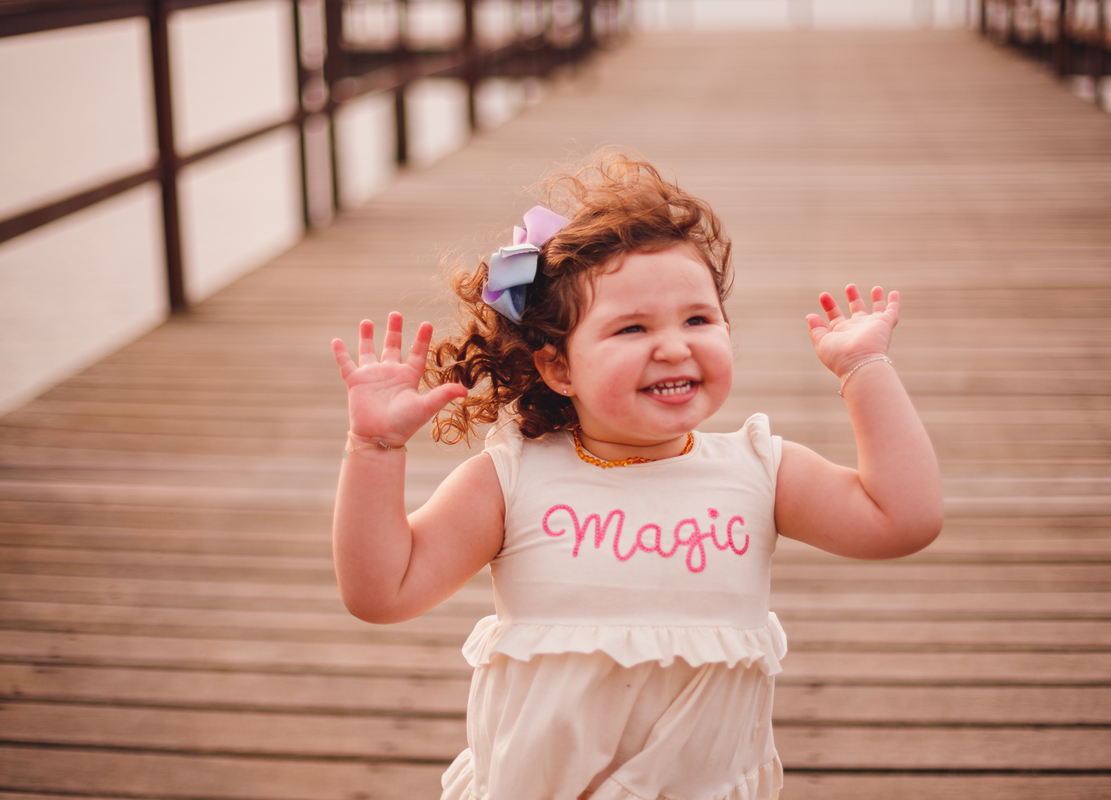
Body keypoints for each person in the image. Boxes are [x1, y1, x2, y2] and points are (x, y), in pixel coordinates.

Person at [330, 153, 943, 800]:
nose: (674, 346)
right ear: (559, 367)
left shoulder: (759, 471)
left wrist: (864, 370)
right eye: (632, 328)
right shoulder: (512, 482)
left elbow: (901, 519)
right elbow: (383, 591)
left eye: (698, 319)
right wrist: (375, 447)